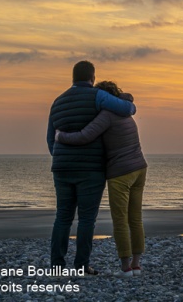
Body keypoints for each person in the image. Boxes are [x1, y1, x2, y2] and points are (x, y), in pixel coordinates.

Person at [47, 61, 137, 275]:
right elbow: (129, 109)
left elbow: (51, 138)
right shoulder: (97, 95)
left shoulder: (57, 101)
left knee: (63, 217)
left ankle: (57, 267)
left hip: (61, 167)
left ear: (72, 78)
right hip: (91, 169)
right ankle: (81, 266)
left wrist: (62, 157)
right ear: (93, 78)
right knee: (87, 219)